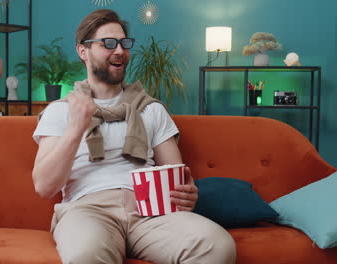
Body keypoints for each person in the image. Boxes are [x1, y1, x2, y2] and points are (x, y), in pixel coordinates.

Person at [32, 9, 236, 264]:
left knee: (217, 245)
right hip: (88, 210)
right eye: (108, 43)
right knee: (86, 255)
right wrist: (76, 127)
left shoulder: (151, 109)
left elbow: (175, 173)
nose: (119, 50)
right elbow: (44, 186)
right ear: (82, 51)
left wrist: (187, 191)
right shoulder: (62, 111)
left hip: (150, 212)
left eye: (124, 43)